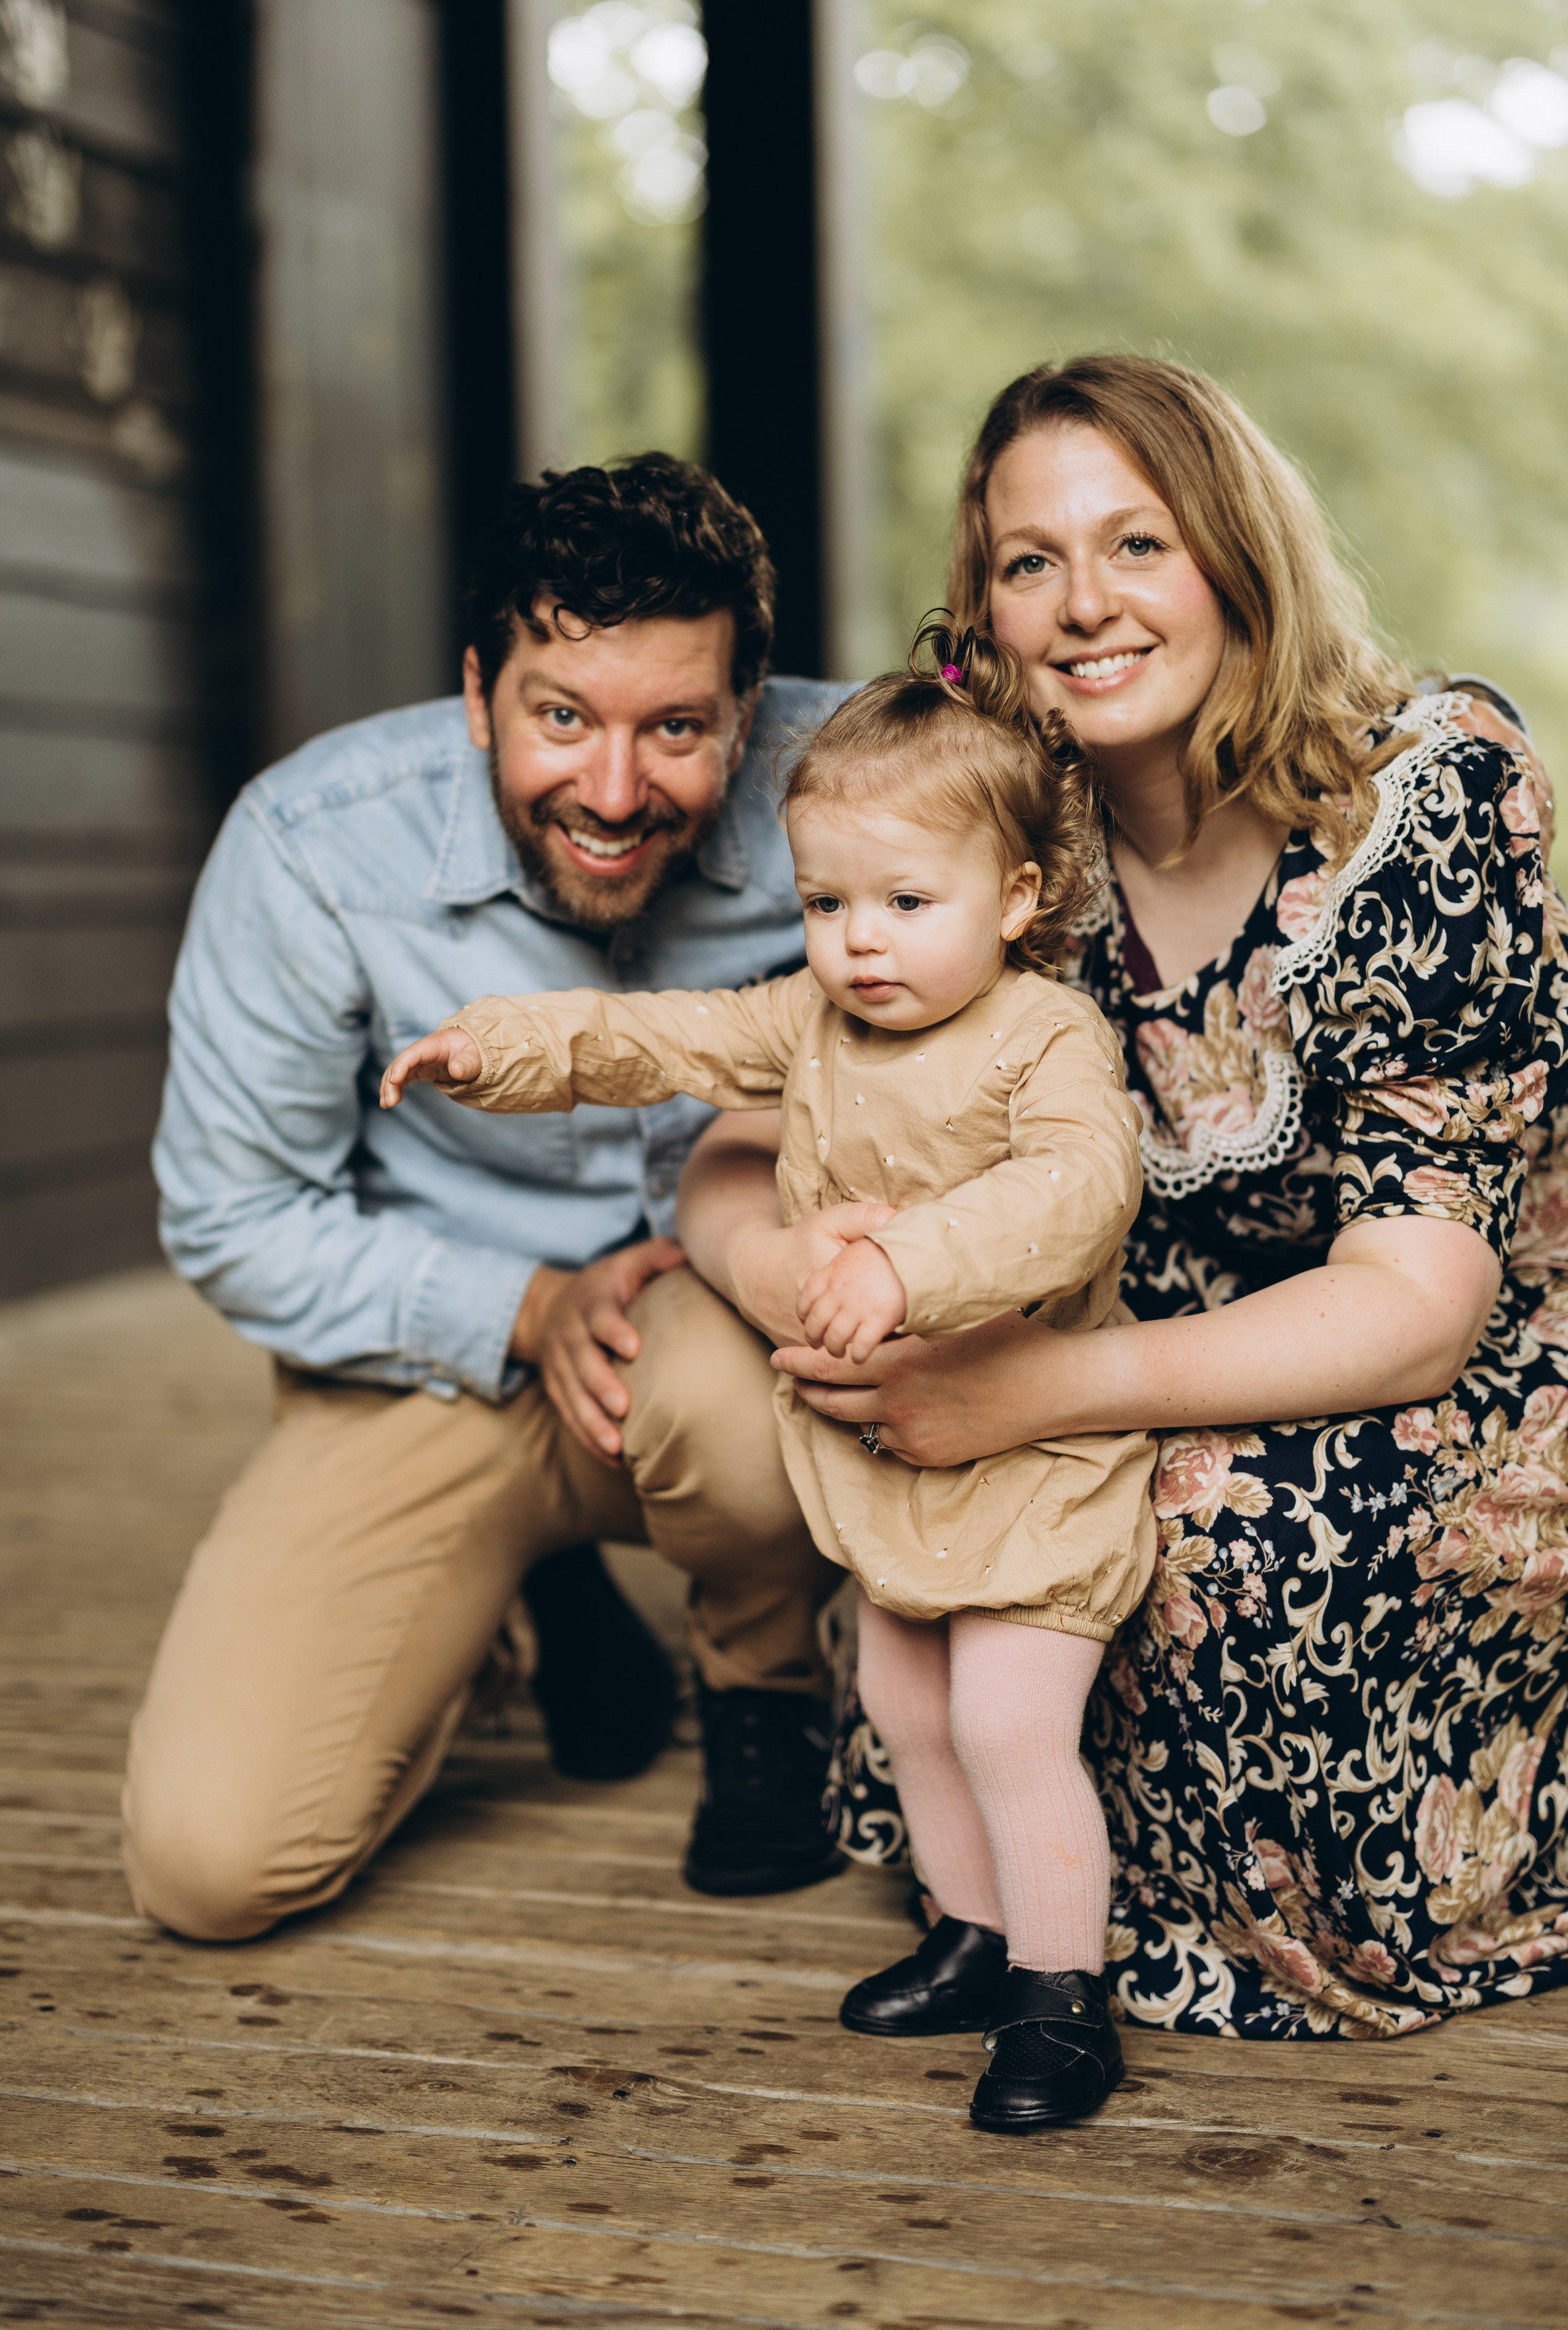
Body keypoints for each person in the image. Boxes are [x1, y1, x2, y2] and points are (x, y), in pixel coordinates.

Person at [678, 353, 1568, 2045]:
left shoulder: (1419, 797)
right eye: (1029, 563)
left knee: (1205, 1544)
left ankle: (1159, 1935)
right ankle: (997, 1921)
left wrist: (1027, 1390)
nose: (1083, 604)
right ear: (984, 610)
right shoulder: (997, 830)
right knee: (933, 1529)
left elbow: (1416, 1303)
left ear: (1233, 557)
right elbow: (733, 1140)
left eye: (1136, 544)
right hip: (1100, 1346)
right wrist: (815, 1277)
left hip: (1450, 1354)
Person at [379, 623, 1157, 2128]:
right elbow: (650, 1037)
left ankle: (1065, 1999)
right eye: (825, 902)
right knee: (904, 1704)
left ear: (1014, 901)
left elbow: (1074, 1191)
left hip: (1030, 1461)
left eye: (906, 902)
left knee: (1005, 1722)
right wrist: (499, 1046)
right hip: (894, 1467)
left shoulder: (1043, 1038)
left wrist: (903, 1266)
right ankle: (971, 1935)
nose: (858, 940)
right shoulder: (810, 1022)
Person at [122, 454, 863, 1943]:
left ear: (751, 715)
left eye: (675, 730)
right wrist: (523, 1309)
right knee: (211, 1865)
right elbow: (233, 1214)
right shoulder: (313, 845)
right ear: (479, 697)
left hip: (728, 1350)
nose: (610, 790)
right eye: (560, 719)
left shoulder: (860, 789)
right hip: (428, 1359)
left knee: (727, 1389)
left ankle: (758, 1686)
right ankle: (523, 1609)